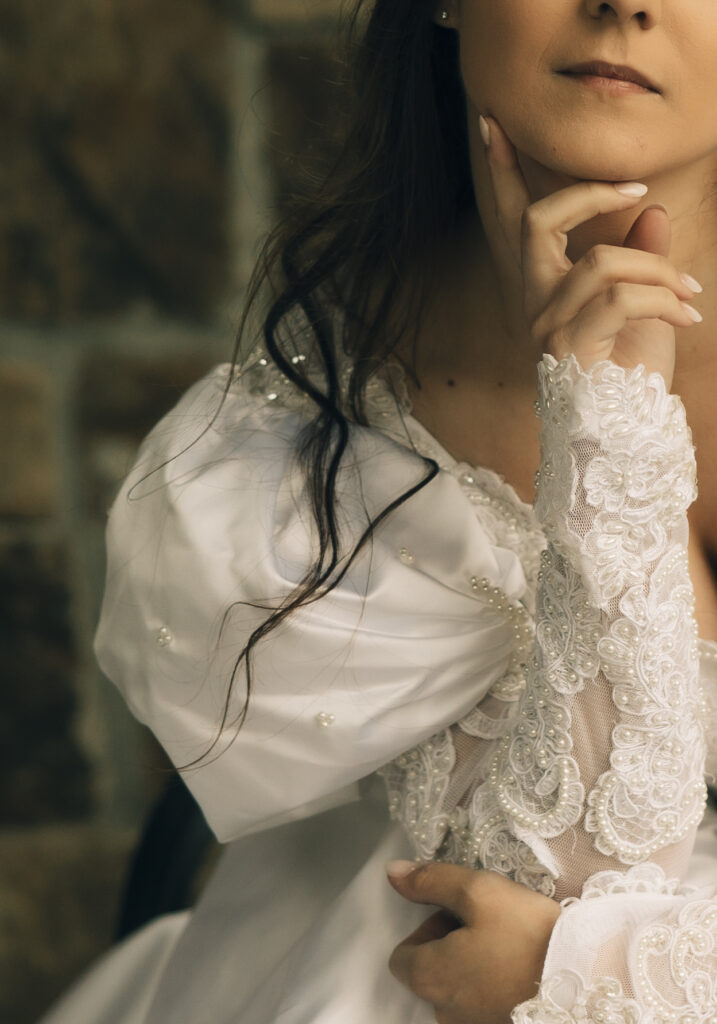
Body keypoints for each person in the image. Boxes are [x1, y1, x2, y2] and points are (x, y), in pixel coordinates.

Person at [38, 0, 717, 1021]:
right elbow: (547, 883)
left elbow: (570, 936)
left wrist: (580, 974)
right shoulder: (315, 431)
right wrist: (602, 417)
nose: (624, 4)